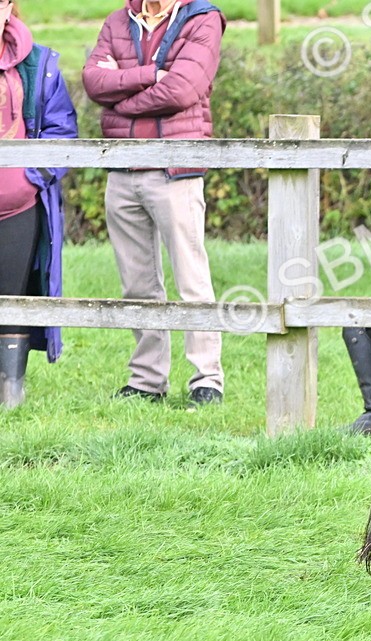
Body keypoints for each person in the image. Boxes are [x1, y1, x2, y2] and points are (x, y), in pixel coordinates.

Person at [81, 0, 226, 408]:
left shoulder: (203, 18)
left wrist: (120, 102)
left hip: (175, 168)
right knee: (136, 282)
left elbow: (182, 90)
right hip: (123, 168)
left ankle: (207, 379)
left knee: (191, 277)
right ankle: (147, 380)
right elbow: (93, 81)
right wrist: (150, 75)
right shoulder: (117, 20)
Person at [0, 0, 77, 408]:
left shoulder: (40, 63)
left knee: (13, 293)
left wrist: (34, 178)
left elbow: (62, 131)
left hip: (18, 205)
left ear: (9, 8)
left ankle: (10, 392)